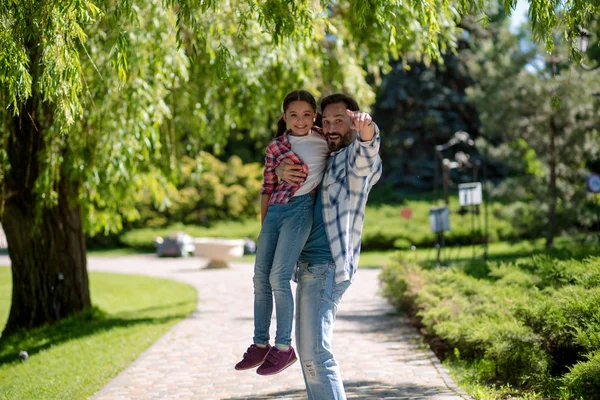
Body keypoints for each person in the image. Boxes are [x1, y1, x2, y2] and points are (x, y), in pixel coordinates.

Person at [276, 93, 382, 399]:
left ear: (352, 123)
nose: (332, 126)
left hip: (326, 267)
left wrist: (367, 131)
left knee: (315, 355)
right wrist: (281, 171)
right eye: (328, 121)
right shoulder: (323, 157)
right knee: (309, 357)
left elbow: (368, 157)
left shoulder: (352, 161)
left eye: (341, 120)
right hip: (307, 267)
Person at [235, 90, 330, 376]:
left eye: (306, 115)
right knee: (260, 277)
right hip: (275, 211)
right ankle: (261, 343)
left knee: (279, 276)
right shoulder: (276, 147)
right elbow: (266, 188)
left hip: (300, 210)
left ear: (314, 116)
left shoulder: (324, 141)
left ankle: (284, 347)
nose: (300, 120)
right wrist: (266, 226)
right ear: (284, 117)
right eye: (293, 115)